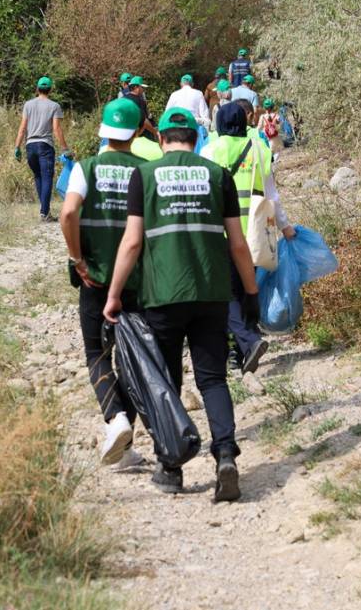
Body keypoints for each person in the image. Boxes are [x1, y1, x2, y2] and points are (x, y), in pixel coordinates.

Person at [103, 107, 259, 503]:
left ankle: (170, 467)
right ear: (195, 138)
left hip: (164, 295)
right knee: (213, 379)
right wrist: (251, 291)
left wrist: (115, 294)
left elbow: (133, 242)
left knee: (167, 383)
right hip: (211, 291)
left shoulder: (145, 176)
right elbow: (238, 243)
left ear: (161, 139)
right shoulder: (217, 175)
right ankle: (225, 455)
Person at [60, 98, 151, 469]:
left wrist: (77, 257)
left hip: (94, 277)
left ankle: (116, 419)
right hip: (137, 279)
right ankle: (126, 443)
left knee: (96, 353)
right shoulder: (147, 170)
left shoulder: (87, 168)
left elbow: (68, 212)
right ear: (139, 130)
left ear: (103, 129)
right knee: (130, 354)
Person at [202, 102, 295, 381]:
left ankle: (241, 347)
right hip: (254, 232)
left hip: (222, 232)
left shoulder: (210, 150)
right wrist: (285, 226)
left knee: (227, 293)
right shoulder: (259, 149)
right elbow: (271, 195)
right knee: (248, 289)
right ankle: (246, 346)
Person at [15, 76, 72, 222]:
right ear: (50, 89)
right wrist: (65, 148)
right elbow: (56, 129)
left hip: (30, 146)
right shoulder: (54, 106)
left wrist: (17, 147)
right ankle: (44, 213)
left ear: (37, 89)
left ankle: (44, 210)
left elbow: (22, 128)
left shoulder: (28, 105)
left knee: (38, 176)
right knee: (47, 178)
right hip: (45, 146)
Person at [125, 75, 160, 141]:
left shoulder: (123, 99)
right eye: (142, 87)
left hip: (126, 135)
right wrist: (156, 133)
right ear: (136, 87)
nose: (143, 90)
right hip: (141, 137)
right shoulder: (140, 101)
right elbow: (144, 121)